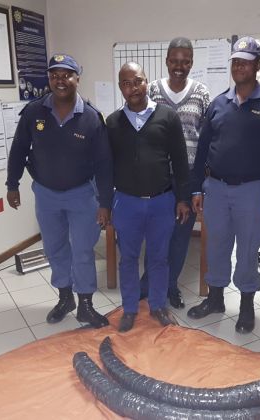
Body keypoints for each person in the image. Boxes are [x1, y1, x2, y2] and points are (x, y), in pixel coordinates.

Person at [188, 36, 260, 334]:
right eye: (235, 62)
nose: (239, 67)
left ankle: (246, 305)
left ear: (257, 65)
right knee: (216, 245)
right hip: (216, 188)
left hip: (253, 190)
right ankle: (216, 299)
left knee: (247, 249)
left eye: (245, 62)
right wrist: (197, 188)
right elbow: (203, 150)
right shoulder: (218, 104)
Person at [6, 54, 113, 329]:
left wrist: (105, 203)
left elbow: (104, 163)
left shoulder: (91, 117)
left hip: (82, 195)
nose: (60, 80)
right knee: (54, 248)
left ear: (77, 78)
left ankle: (86, 305)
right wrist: (12, 184)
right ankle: (65, 298)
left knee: (83, 250)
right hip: (46, 194)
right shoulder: (34, 112)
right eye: (54, 75)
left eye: (66, 75)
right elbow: (19, 149)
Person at [106, 62, 190, 332]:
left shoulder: (168, 117)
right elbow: (106, 167)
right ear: (121, 88)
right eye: (127, 83)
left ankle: (158, 306)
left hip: (161, 202)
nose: (134, 88)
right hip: (126, 203)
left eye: (138, 81)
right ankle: (130, 308)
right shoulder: (112, 123)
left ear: (147, 82)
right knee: (128, 259)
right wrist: (105, 204)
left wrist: (182, 199)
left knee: (159, 258)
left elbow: (180, 161)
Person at [139, 37, 211, 309]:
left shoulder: (201, 93)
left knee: (180, 237)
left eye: (185, 62)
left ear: (191, 63)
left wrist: (200, 182)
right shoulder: (152, 91)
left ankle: (171, 286)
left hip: (187, 178)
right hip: (156, 178)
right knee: (156, 235)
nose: (179, 66)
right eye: (174, 61)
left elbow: (206, 139)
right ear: (167, 61)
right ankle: (148, 285)